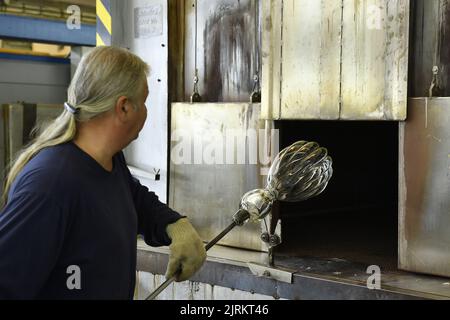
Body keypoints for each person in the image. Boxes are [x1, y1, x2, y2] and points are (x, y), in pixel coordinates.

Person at [0, 46, 206, 299]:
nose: (145, 111)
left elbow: (135, 199)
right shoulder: (51, 184)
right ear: (124, 108)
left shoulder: (109, 161)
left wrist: (176, 225)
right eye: (144, 101)